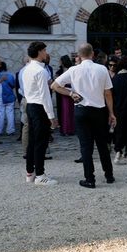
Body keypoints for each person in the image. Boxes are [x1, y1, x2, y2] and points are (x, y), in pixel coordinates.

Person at [52, 43, 116, 188]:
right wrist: (111, 112)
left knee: (85, 146)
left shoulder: (74, 70)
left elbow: (54, 86)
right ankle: (109, 175)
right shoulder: (102, 69)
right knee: (102, 145)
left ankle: (90, 178)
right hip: (99, 110)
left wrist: (70, 93)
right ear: (92, 54)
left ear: (79, 56)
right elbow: (108, 93)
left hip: (81, 110)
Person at [22, 41, 58, 185]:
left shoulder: (27, 69)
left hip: (30, 105)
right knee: (41, 142)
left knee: (32, 141)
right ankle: (40, 175)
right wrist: (51, 116)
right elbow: (45, 96)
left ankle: (30, 172)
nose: (46, 53)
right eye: (44, 50)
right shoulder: (41, 71)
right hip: (39, 107)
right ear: (38, 52)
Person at [55, 55, 76, 136]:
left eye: (60, 61)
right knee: (63, 111)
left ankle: (70, 129)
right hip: (61, 93)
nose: (59, 62)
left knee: (69, 111)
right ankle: (64, 129)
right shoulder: (59, 71)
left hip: (70, 92)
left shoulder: (72, 69)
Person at [0, 61, 16, 136]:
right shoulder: (10, 75)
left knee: (0, 114)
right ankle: (10, 130)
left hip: (0, 97)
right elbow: (13, 85)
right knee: (10, 114)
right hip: (10, 96)